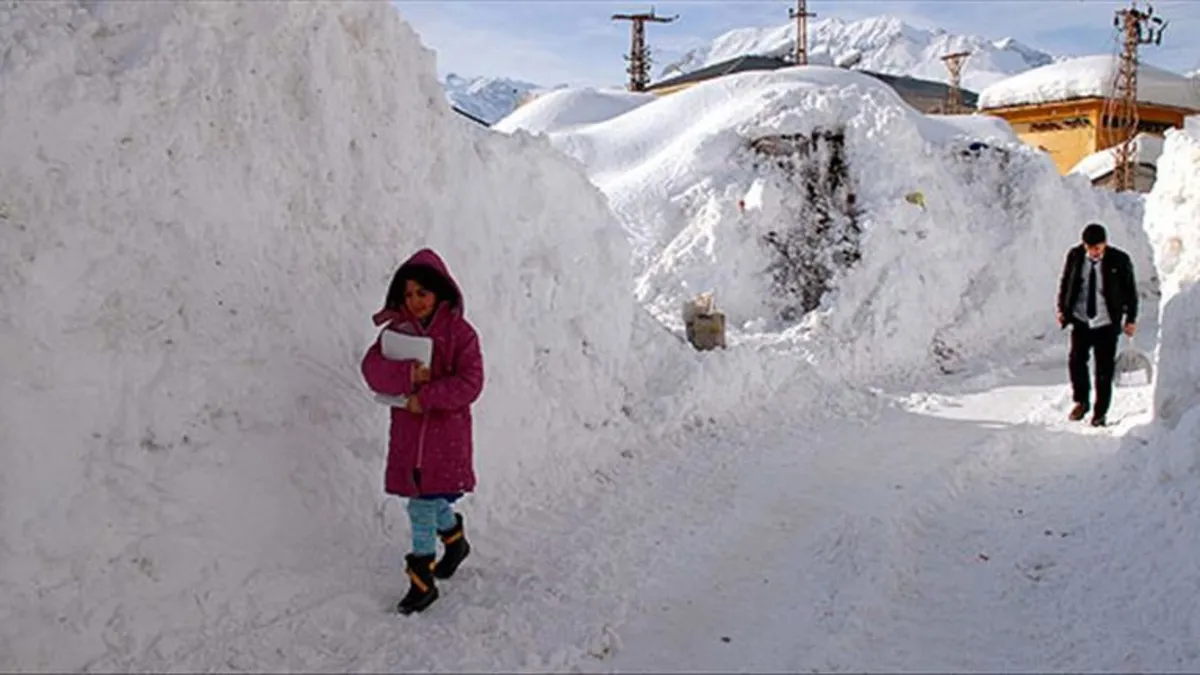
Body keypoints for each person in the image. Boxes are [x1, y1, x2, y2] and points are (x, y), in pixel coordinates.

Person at [361, 248, 484, 614]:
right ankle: (455, 540)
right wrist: (408, 375)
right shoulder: (396, 333)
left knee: (421, 505)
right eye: (408, 294)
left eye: (422, 293)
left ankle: (422, 580)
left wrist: (426, 397)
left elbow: (471, 383)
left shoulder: (461, 334)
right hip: (409, 437)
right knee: (427, 498)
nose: (415, 301)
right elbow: (372, 369)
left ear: (439, 292)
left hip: (445, 438)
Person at [1056, 223, 1138, 427]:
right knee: (1076, 361)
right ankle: (1081, 401)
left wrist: (1130, 319)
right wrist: (1062, 309)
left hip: (1106, 321)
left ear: (1105, 244)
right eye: (1091, 248)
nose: (1095, 252)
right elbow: (1066, 282)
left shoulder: (1119, 259)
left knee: (1104, 368)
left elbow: (1130, 291)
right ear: (1084, 245)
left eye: (1098, 248)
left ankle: (1100, 412)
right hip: (1081, 319)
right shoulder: (1075, 256)